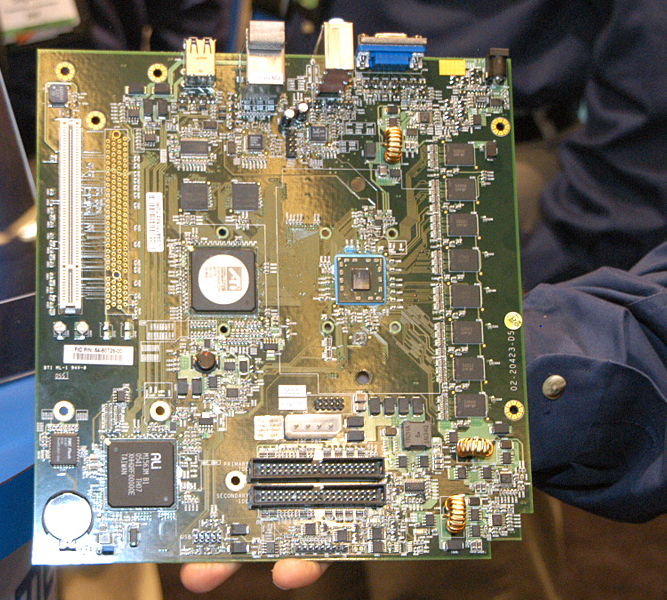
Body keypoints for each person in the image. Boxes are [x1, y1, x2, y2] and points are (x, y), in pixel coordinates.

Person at [179, 0, 667, 594]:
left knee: (452, 564)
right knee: (317, 546)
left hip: (465, 165)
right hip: (311, 160)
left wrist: (499, 319)